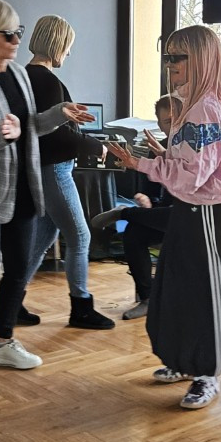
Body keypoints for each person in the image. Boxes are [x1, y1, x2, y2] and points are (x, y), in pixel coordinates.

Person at [0, 0, 94, 396]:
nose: (16, 40)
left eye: (19, 32)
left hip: (23, 190)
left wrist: (60, 113)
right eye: (8, 34)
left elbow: (31, 126)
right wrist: (4, 133)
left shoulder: (18, 73)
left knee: (17, 271)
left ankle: (3, 343)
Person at [107, 26, 221, 410]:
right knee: (179, 289)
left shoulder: (204, 109)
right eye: (167, 56)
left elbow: (191, 178)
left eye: (177, 57)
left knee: (207, 295)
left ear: (200, 60)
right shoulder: (192, 106)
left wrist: (140, 163)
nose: (169, 65)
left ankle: (208, 372)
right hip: (192, 211)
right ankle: (187, 361)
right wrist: (163, 156)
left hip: (211, 215)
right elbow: (192, 167)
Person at [19, 15, 115, 330]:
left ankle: (12, 302)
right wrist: (93, 145)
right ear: (57, 43)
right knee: (80, 236)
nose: (69, 53)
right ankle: (81, 309)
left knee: (43, 237)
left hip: (43, 169)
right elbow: (53, 135)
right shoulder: (46, 81)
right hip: (55, 171)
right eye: (68, 46)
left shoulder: (25, 76)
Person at [92, 94, 176, 320]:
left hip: (193, 216)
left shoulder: (190, 146)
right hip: (165, 215)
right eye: (167, 122)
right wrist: (146, 200)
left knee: (171, 215)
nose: (172, 126)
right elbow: (151, 192)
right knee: (133, 233)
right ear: (159, 124)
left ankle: (124, 213)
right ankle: (147, 297)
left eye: (176, 120)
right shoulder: (157, 147)